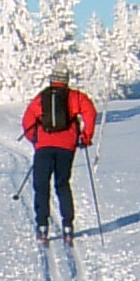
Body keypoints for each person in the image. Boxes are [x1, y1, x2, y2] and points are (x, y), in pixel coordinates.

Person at [22, 67, 97, 241]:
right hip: (67, 146)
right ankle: (68, 225)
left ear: (52, 79)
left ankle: (42, 225)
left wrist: (35, 139)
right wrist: (86, 136)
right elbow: (90, 112)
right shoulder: (75, 96)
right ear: (66, 80)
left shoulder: (41, 97)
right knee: (62, 184)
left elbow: (27, 121)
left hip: (44, 146)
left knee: (41, 185)